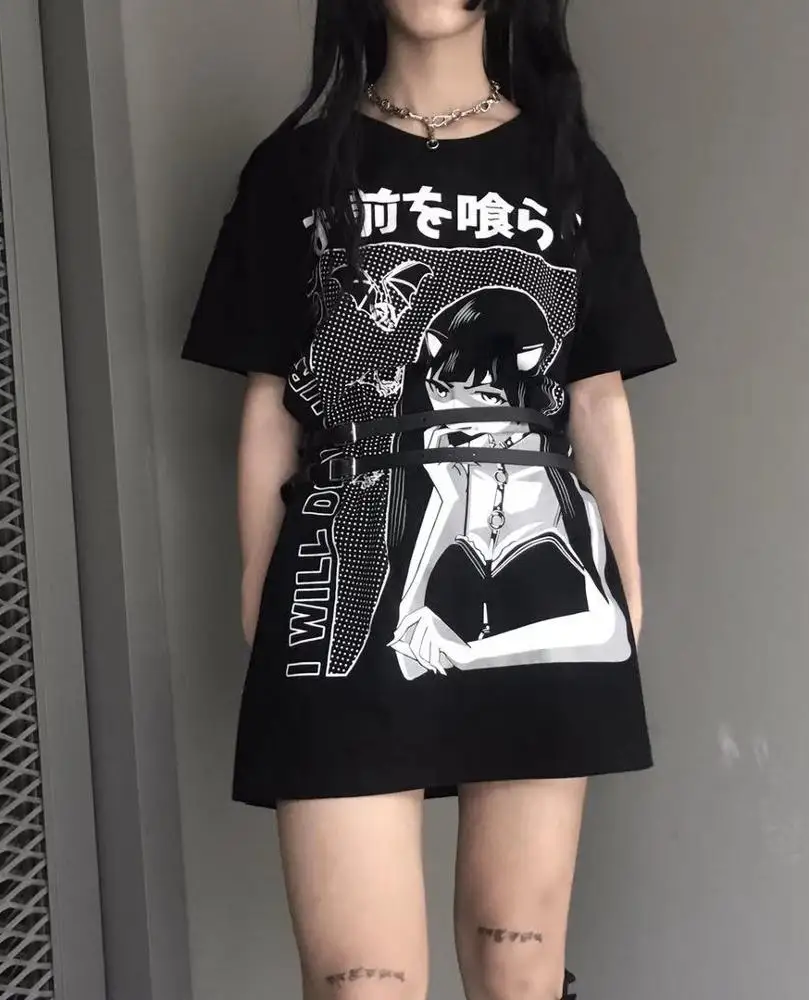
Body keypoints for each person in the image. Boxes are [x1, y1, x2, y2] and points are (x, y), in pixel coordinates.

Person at [181, 1, 676, 998]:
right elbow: (271, 401)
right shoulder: (296, 169)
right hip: (349, 563)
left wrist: (626, 581)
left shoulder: (568, 167)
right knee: (359, 982)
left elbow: (597, 397)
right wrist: (260, 585)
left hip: (545, 575)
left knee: (516, 967)